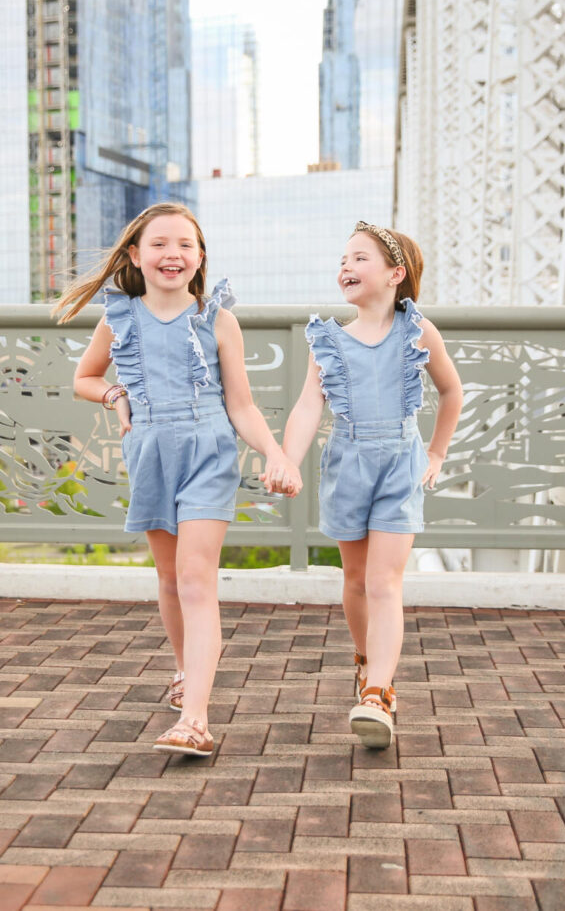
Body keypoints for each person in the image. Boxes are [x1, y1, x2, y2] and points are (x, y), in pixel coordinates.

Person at [56, 202, 298, 758]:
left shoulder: (218, 320)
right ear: (135, 255)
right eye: (160, 244)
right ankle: (187, 671)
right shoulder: (118, 318)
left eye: (186, 244)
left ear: (200, 256)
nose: (173, 254)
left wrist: (276, 454)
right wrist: (115, 394)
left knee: (194, 579)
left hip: (208, 450)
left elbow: (241, 405)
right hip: (150, 452)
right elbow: (84, 378)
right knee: (169, 579)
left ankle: (195, 720)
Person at [278, 221, 461, 749]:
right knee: (356, 580)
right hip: (348, 462)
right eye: (343, 260)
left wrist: (436, 453)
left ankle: (378, 692)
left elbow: (451, 391)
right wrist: (288, 460)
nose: (346, 267)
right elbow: (308, 406)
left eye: (360, 258)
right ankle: (365, 660)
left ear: (394, 274)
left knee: (384, 582)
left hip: (400, 463)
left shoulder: (418, 331)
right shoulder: (328, 340)